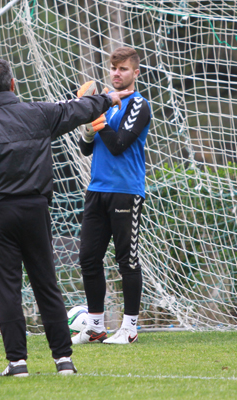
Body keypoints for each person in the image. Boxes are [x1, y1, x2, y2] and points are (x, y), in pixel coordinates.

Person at [0, 58, 132, 376]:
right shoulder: (39, 113)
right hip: (35, 211)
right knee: (46, 285)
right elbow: (76, 110)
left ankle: (17, 363)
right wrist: (107, 98)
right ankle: (63, 361)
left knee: (8, 290)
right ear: (13, 84)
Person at [73, 47, 151, 345]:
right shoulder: (107, 101)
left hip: (125, 192)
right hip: (97, 190)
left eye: (123, 69)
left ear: (136, 73)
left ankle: (130, 329)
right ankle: (95, 326)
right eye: (114, 68)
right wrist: (90, 130)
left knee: (126, 261)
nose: (117, 73)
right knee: (88, 258)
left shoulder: (139, 105)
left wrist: (98, 115)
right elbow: (87, 148)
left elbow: (118, 145)